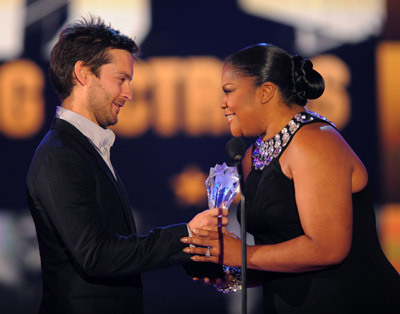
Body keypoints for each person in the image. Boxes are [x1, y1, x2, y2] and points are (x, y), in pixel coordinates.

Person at [26, 16, 228, 314]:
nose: (128, 94)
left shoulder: (84, 148)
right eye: (121, 79)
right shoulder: (61, 154)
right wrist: (186, 235)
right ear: (83, 73)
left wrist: (190, 251)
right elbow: (96, 256)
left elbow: (116, 249)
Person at [181, 43, 400, 313]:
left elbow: (328, 248)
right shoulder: (252, 156)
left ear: (265, 91)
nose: (222, 103)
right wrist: (231, 272)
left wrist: (241, 254)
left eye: (229, 91)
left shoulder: (316, 141)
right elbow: (279, 256)